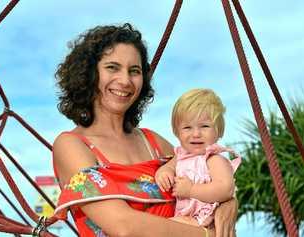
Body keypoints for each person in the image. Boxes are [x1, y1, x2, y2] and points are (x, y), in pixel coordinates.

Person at [52, 23, 238, 237]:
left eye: (134, 71)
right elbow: (124, 226)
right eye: (112, 67)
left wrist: (230, 203)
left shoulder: (153, 142)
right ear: (89, 73)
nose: (124, 81)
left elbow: (211, 177)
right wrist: (208, 234)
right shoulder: (71, 145)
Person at [155, 89, 241, 229]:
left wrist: (191, 190)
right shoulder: (181, 156)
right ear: (177, 132)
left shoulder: (214, 160)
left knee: (162, 228)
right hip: (185, 216)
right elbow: (168, 167)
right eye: (187, 127)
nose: (196, 134)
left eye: (205, 126)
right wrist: (164, 173)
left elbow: (226, 189)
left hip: (205, 219)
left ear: (219, 130)